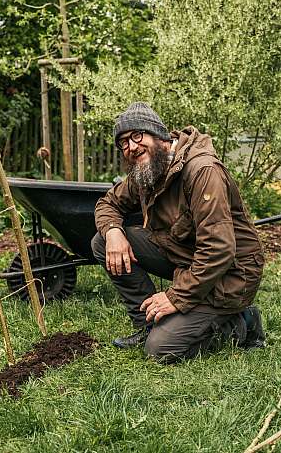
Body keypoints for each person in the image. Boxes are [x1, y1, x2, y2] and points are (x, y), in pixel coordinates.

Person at [91, 102, 265, 363]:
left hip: (230, 273)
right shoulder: (148, 170)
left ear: (159, 135)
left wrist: (175, 297)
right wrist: (113, 232)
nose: (132, 147)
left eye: (137, 136)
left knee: (160, 349)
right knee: (102, 242)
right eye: (123, 143)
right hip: (187, 256)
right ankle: (147, 322)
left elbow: (218, 249)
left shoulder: (202, 171)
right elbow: (108, 203)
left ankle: (242, 322)